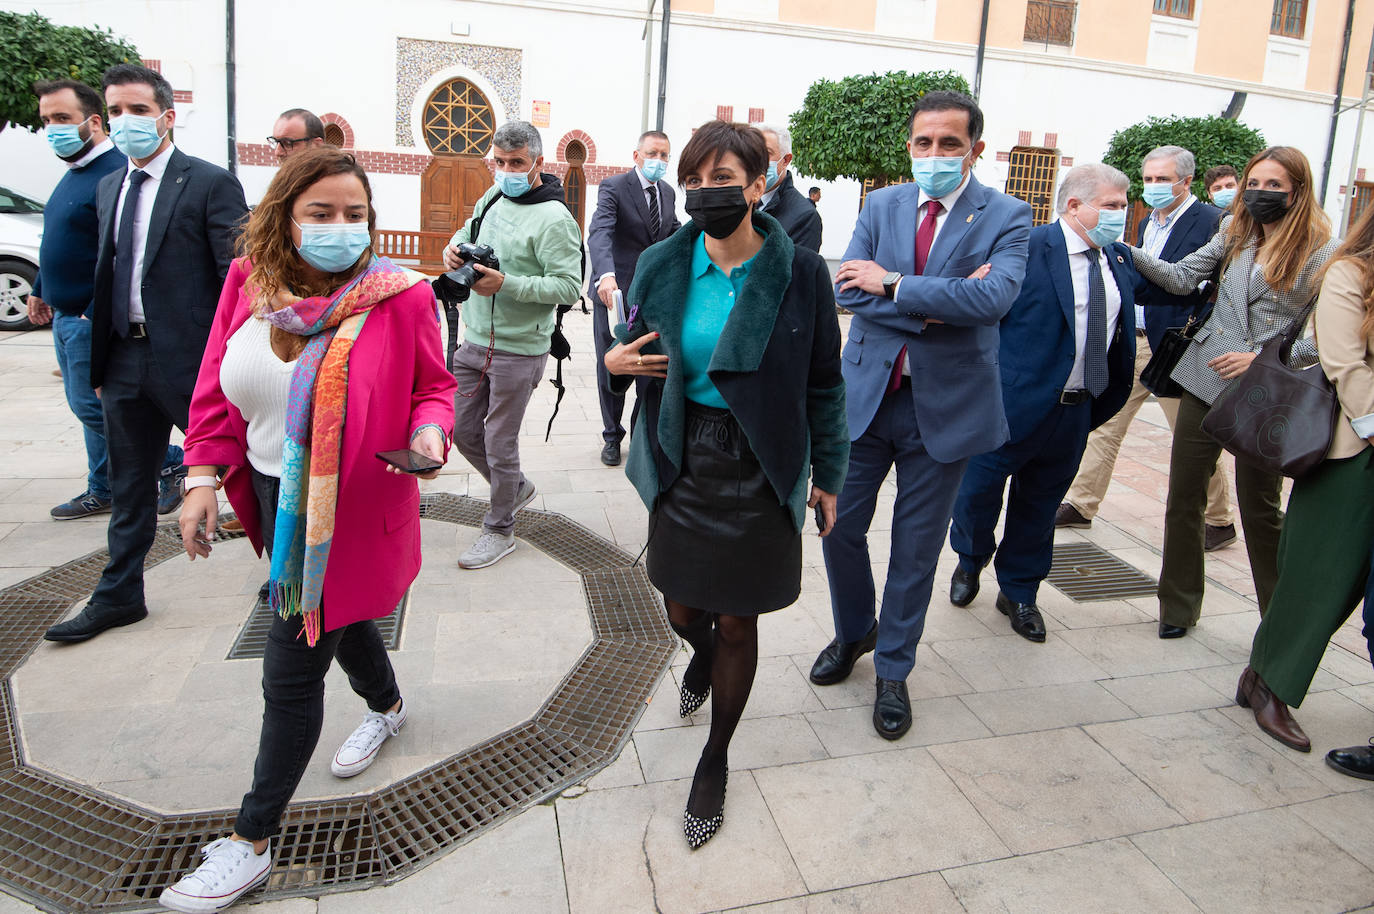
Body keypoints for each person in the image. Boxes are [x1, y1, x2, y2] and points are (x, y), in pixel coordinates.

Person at [160, 148, 455, 913]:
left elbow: (435, 388)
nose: (339, 228)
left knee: (289, 672)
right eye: (320, 214)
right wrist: (199, 478)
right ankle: (388, 709)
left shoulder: (401, 297)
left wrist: (430, 435)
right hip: (274, 499)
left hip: (352, 512)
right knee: (341, 620)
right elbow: (214, 393)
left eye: (354, 214)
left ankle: (252, 843)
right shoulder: (248, 286)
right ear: (284, 219)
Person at [604, 120, 847, 848]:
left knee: (740, 618)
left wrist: (827, 474)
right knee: (683, 609)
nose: (708, 193)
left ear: (759, 185)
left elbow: (825, 385)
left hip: (763, 463)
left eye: (724, 179)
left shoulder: (801, 272)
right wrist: (614, 366)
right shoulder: (661, 264)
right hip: (686, 456)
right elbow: (632, 344)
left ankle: (715, 759)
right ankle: (699, 653)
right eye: (695, 180)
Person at [810, 90, 1032, 740]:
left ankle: (894, 671)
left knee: (915, 549)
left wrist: (896, 283)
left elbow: (993, 299)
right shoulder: (881, 205)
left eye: (949, 144)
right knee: (837, 526)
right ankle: (857, 632)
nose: (934, 155)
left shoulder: (1008, 214)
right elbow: (845, 287)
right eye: (924, 143)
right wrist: (940, 302)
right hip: (867, 402)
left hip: (947, 410)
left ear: (975, 150)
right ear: (910, 146)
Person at [43, 64, 248, 644]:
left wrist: (229, 362)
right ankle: (118, 595)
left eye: (137, 110)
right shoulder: (112, 186)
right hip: (125, 358)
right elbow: (108, 275)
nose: (125, 121)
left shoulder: (208, 183)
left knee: (244, 471)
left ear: (166, 116)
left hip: (192, 363)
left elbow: (235, 279)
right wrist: (103, 363)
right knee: (130, 485)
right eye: (115, 112)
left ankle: (289, 572)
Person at [1131, 146, 1338, 639]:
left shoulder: (1322, 251)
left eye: (1274, 187)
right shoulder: (1235, 233)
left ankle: (1280, 619)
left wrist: (1269, 360)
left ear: (1298, 193)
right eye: (1255, 184)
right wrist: (1120, 249)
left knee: (1260, 508)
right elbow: (1182, 278)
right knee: (1184, 496)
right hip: (1205, 377)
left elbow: (1330, 333)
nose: (1260, 194)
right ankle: (1177, 607)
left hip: (1266, 391)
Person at [949, 164, 1139, 641]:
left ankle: (1019, 591)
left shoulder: (1119, 260)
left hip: (1074, 410)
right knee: (974, 497)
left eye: (1124, 206)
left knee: (1039, 507)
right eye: (1112, 206)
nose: (1122, 215)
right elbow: (975, 311)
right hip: (1007, 407)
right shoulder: (1027, 248)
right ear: (1074, 206)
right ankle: (970, 559)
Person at [1234, 203, 1374, 753]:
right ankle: (1270, 683)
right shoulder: (1349, 272)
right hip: (1354, 449)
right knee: (1319, 577)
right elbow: (1345, 362)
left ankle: (1261, 673)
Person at [1057, 146, 1236, 551]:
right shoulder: (1148, 222)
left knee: (1190, 435)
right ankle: (1082, 504)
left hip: (1181, 345)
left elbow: (1204, 282)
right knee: (1107, 423)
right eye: (1148, 178)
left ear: (1186, 182)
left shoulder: (1213, 221)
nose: (1152, 186)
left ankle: (1219, 520)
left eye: (1162, 179)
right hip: (1136, 339)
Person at [26, 78, 185, 522]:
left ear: (89, 122)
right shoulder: (86, 176)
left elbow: (125, 258)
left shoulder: (122, 177)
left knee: (93, 407)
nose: (53, 129)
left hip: (91, 318)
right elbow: (67, 242)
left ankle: (169, 457)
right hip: (67, 313)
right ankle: (103, 485)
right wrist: (41, 289)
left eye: (62, 119)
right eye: (46, 121)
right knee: (94, 410)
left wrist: (97, 316)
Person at [442, 120, 582, 570]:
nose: (506, 170)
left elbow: (568, 287)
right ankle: (515, 488)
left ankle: (500, 529)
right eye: (499, 162)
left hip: (521, 348)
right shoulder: (494, 195)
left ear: (538, 162)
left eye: (516, 163)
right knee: (463, 430)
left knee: (500, 440)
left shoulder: (556, 219)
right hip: (474, 340)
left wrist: (507, 284)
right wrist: (453, 250)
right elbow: (467, 232)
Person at [587, 130, 680, 467]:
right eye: (653, 153)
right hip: (615, 296)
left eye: (665, 155)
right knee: (611, 365)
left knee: (648, 368)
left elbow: (672, 232)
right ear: (637, 155)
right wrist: (605, 275)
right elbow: (601, 231)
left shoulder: (667, 193)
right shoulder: (614, 187)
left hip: (652, 298)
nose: (659, 161)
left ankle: (642, 433)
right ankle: (612, 436)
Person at [752, 122, 822, 252]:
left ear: (786, 160)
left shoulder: (805, 216)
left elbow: (796, 270)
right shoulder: (738, 201)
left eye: (767, 153)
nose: (757, 160)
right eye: (753, 152)